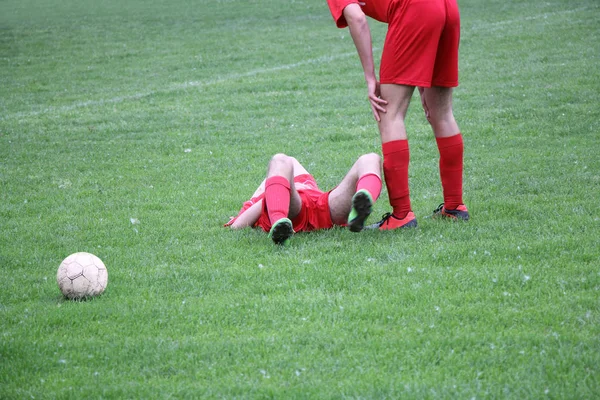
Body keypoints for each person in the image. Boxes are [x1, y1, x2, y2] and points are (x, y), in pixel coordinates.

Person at [325, 0, 470, 230]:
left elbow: (357, 19)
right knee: (441, 114)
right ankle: (454, 207)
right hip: (447, 7)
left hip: (414, 9)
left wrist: (370, 77)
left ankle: (401, 215)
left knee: (389, 113)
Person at [225, 153, 383, 245]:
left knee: (370, 158)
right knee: (280, 159)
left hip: (320, 207)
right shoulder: (259, 199)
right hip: (293, 208)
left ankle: (363, 200)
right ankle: (279, 223)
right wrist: (269, 195)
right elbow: (237, 225)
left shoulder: (292, 174)